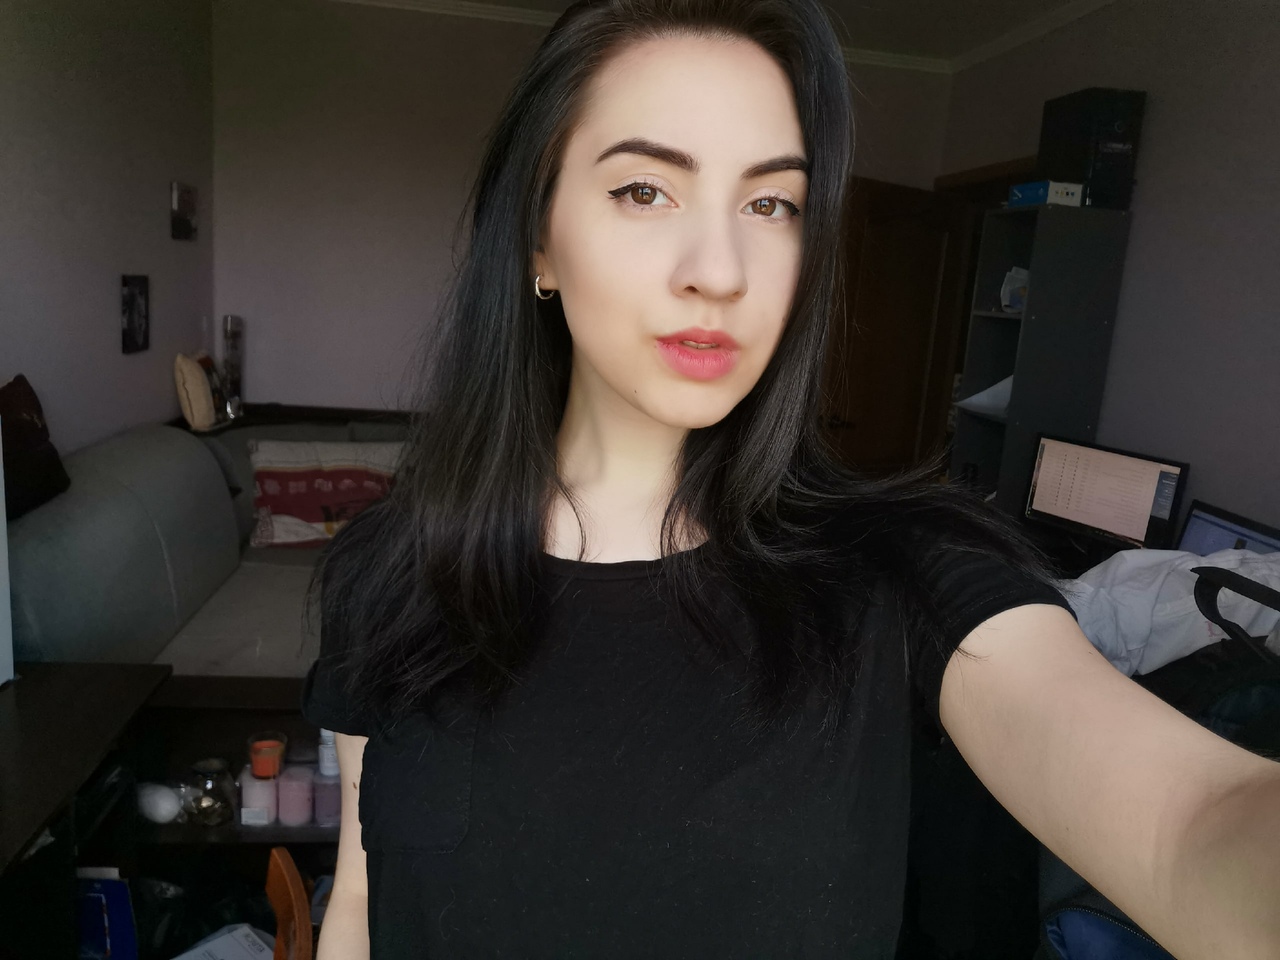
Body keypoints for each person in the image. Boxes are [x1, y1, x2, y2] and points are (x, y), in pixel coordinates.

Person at [301, 1, 1280, 956]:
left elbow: (1185, 826)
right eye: (645, 189)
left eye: (770, 204)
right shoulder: (386, 571)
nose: (720, 270)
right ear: (538, 242)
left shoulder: (900, 572)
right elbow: (362, 896)